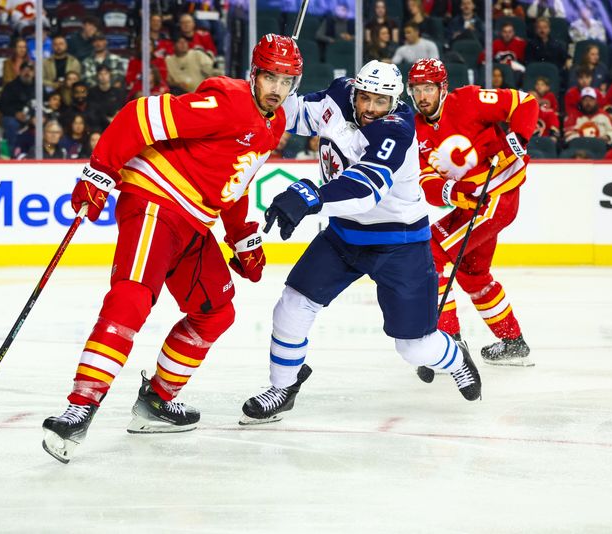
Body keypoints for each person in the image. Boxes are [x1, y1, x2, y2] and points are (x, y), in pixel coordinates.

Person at [41, 34, 304, 463]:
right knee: (131, 297)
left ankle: (157, 402)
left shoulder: (272, 125)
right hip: (155, 203)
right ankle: (80, 406)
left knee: (216, 311)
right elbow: (140, 115)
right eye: (270, 76)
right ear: (254, 74)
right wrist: (99, 171)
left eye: (287, 80)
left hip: (195, 222)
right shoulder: (227, 100)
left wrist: (242, 237)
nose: (277, 88)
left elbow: (233, 180)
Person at [239, 61, 483, 426]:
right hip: (343, 237)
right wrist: (263, 101)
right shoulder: (339, 94)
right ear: (355, 90)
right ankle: (283, 387)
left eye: (380, 102)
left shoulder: (396, 130)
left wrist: (309, 196)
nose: (370, 108)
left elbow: (364, 189)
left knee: (414, 348)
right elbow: (298, 113)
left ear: (395, 101)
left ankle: (455, 356)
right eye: (365, 98)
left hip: (399, 243)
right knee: (292, 305)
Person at [407, 58, 538, 370]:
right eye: (417, 90)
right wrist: (453, 193)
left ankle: (448, 342)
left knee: (431, 254)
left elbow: (525, 102)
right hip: (472, 203)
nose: (423, 96)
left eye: (429, 88)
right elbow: (426, 180)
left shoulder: (468, 100)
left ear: (443, 88)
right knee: (472, 272)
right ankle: (513, 341)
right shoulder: (415, 130)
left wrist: (517, 138)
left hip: (496, 195)